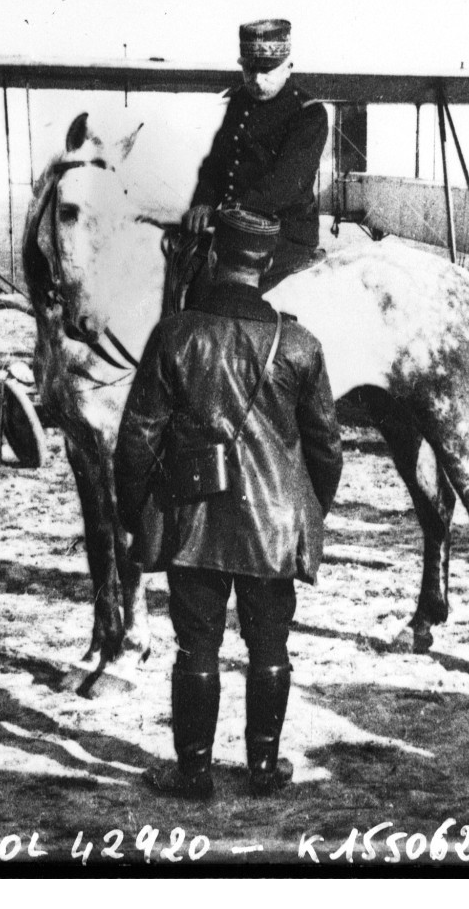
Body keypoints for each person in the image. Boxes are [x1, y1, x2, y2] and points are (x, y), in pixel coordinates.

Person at [114, 206, 344, 801]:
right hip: (275, 527)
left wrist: (133, 514)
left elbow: (137, 439)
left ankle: (193, 773)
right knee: (270, 644)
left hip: (196, 521)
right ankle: (263, 770)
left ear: (216, 258)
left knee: (197, 646)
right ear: (266, 265)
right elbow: (327, 451)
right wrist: (305, 513)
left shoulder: (176, 335)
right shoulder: (300, 343)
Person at [182, 18, 331, 287]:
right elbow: (218, 162)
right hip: (236, 226)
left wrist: (229, 211)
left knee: (215, 289)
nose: (258, 80)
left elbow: (286, 184)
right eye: (250, 70)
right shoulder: (240, 101)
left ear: (288, 68)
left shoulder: (309, 113)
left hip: (283, 234)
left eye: (268, 70)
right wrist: (204, 200)